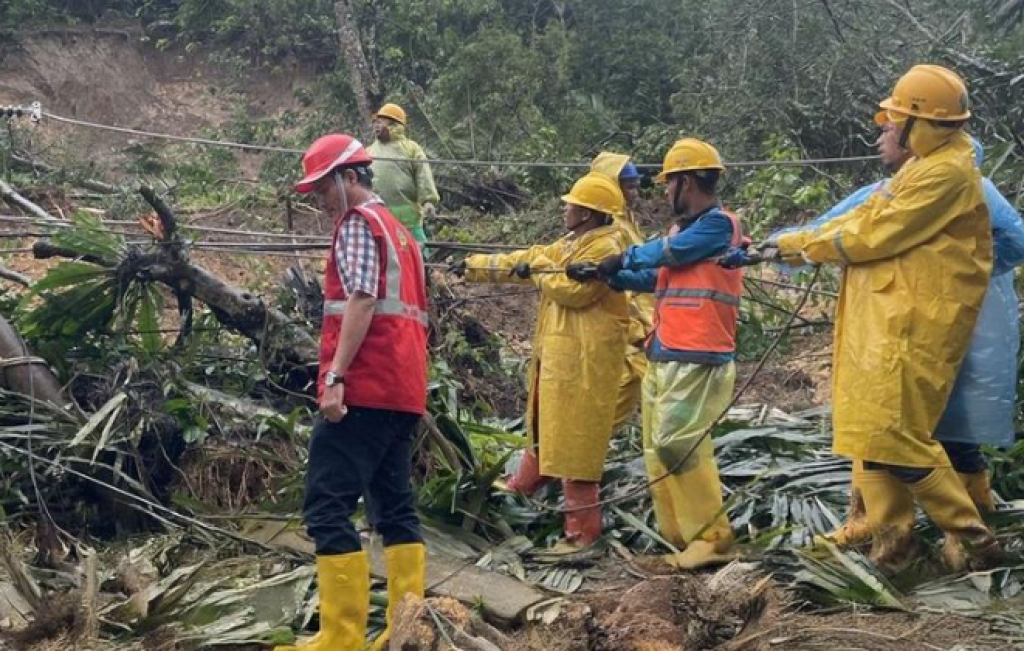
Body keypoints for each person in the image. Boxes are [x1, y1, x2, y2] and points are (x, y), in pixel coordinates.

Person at [769, 64, 1001, 572]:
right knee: (869, 432)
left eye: (895, 121)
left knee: (895, 435)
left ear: (924, 122)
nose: (887, 130)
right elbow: (866, 215)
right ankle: (893, 544)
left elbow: (872, 235)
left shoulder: (945, 173)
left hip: (914, 324)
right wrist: (788, 243)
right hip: (886, 319)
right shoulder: (923, 166)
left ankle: (975, 538)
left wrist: (798, 247)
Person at [816, 128, 1024, 548]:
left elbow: (1017, 241)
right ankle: (884, 525)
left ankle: (966, 528)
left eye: (888, 129)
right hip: (902, 327)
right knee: (886, 424)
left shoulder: (962, 187)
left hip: (941, 328)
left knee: (931, 425)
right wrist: (775, 247)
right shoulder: (884, 192)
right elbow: (830, 229)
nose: (878, 139)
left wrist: (955, 273)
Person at [280, 133, 429, 651]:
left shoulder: (358, 224)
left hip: (364, 387)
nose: (322, 203)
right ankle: (405, 630)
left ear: (350, 178)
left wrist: (335, 377)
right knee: (394, 508)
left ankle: (340, 639)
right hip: (403, 389)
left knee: (327, 505)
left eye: (324, 189)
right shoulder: (402, 233)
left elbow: (363, 300)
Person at [570, 138, 743, 570]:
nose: (664, 192)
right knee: (656, 449)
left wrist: (618, 257)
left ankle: (714, 537)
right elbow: (657, 277)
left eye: (668, 184)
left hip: (700, 351)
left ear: (686, 181)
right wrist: (610, 275)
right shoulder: (680, 232)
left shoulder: (719, 226)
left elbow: (667, 255)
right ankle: (681, 538)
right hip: (666, 349)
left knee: (678, 443)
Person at [452, 173, 629, 551]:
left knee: (577, 443)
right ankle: (527, 485)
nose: (564, 208)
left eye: (571, 204)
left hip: (586, 360)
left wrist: (539, 268)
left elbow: (573, 292)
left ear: (588, 212)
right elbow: (528, 260)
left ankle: (581, 534)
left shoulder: (605, 248)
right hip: (559, 358)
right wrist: (471, 266)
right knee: (545, 423)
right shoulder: (571, 244)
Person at [590, 153, 655, 428]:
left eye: (635, 185)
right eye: (628, 186)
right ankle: (589, 446)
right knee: (628, 380)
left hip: (643, 315)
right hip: (627, 320)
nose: (635, 192)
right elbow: (617, 280)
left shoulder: (627, 219)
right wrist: (638, 328)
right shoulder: (611, 226)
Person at [366, 102, 440, 245]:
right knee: (386, 251)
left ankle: (423, 266)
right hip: (379, 214)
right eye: (375, 122)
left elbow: (423, 175)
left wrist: (428, 201)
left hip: (408, 215)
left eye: (381, 121)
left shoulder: (411, 149)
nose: (376, 125)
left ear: (394, 124)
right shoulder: (369, 151)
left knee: (415, 249)